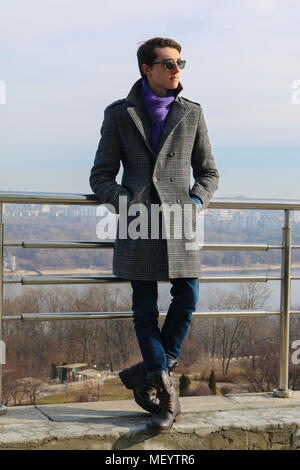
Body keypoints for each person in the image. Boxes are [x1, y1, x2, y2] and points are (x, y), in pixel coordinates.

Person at [90, 37, 219, 432]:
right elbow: (100, 175)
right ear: (147, 69)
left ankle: (147, 371)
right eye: (167, 63)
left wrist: (196, 202)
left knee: (189, 293)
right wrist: (123, 200)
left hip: (181, 220)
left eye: (180, 62)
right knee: (144, 308)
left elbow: (209, 173)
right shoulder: (119, 114)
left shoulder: (192, 113)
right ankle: (164, 391)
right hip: (138, 220)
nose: (176, 68)